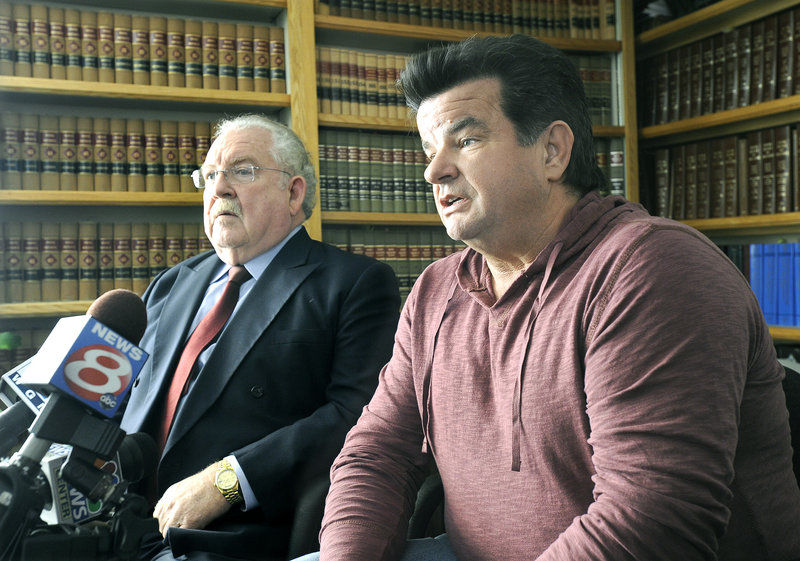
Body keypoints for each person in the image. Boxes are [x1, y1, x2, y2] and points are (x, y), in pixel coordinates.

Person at [297, 35, 800, 561]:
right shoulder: (435, 290)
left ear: (552, 151)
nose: (433, 171)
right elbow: (377, 453)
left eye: (465, 142)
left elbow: (654, 518)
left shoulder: (652, 269)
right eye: (429, 150)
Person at [119, 113, 401, 561]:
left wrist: (227, 482)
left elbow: (358, 416)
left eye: (242, 171)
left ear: (294, 192)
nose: (220, 188)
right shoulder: (172, 283)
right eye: (209, 174)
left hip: (228, 534)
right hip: (117, 519)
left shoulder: (353, 283)